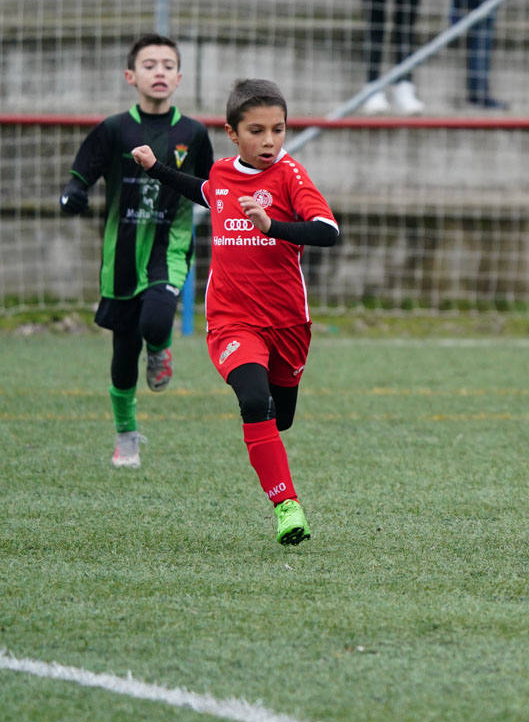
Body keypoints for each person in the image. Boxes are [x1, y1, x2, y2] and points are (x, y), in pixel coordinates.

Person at [130, 79, 339, 546]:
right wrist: (156, 168)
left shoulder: (290, 176)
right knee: (252, 400)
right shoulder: (224, 174)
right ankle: (287, 506)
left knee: (278, 417)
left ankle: (273, 440)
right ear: (232, 132)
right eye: (257, 130)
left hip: (287, 323)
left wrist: (272, 226)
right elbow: (204, 190)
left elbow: (326, 231)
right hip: (231, 319)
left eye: (278, 129)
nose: (270, 141)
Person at [58, 33, 214, 470]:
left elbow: (208, 189)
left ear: (180, 77)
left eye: (168, 64)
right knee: (124, 354)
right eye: (149, 64)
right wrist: (74, 194)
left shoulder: (194, 133)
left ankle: (161, 347)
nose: (159, 71)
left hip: (171, 244)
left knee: (156, 318)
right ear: (131, 76)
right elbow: (82, 173)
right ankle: (126, 435)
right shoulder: (114, 129)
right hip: (122, 255)